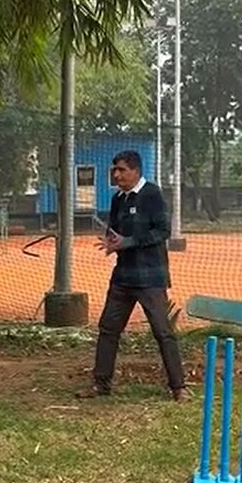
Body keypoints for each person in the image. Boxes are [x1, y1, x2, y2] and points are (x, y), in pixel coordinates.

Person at [77, 149, 188, 401]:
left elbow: (162, 231)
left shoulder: (152, 194)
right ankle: (101, 384)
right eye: (114, 170)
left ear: (136, 171)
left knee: (163, 331)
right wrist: (111, 241)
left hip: (150, 277)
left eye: (122, 170)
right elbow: (115, 230)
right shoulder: (118, 199)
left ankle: (178, 387)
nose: (117, 175)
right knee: (108, 329)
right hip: (123, 277)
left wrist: (128, 242)